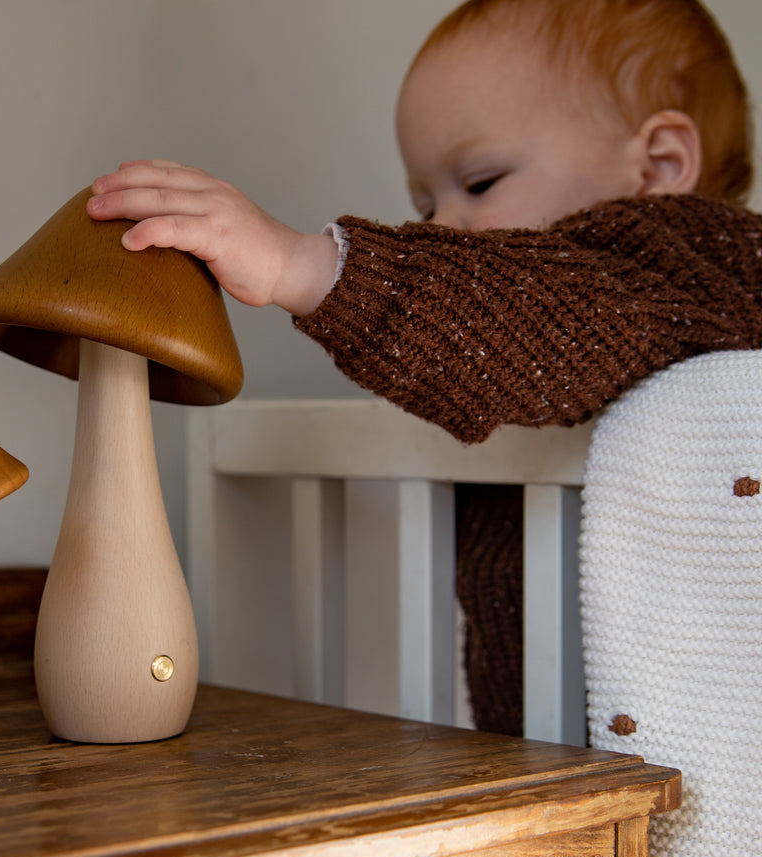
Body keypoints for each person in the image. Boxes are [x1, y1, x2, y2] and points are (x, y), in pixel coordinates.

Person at [86, 0, 762, 734]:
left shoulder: (703, 258)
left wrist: (304, 265)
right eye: (423, 201)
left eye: (478, 182)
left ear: (660, 165)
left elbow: (548, 311)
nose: (438, 227)